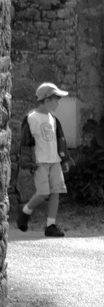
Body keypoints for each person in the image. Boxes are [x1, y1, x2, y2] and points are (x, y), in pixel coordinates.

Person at [16, 82, 73, 238]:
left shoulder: (53, 119)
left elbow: (60, 141)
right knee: (43, 193)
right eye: (56, 99)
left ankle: (50, 225)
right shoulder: (31, 119)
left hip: (54, 161)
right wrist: (28, 162)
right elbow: (26, 143)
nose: (58, 102)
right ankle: (25, 211)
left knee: (56, 192)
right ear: (47, 100)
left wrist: (64, 160)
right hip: (39, 162)